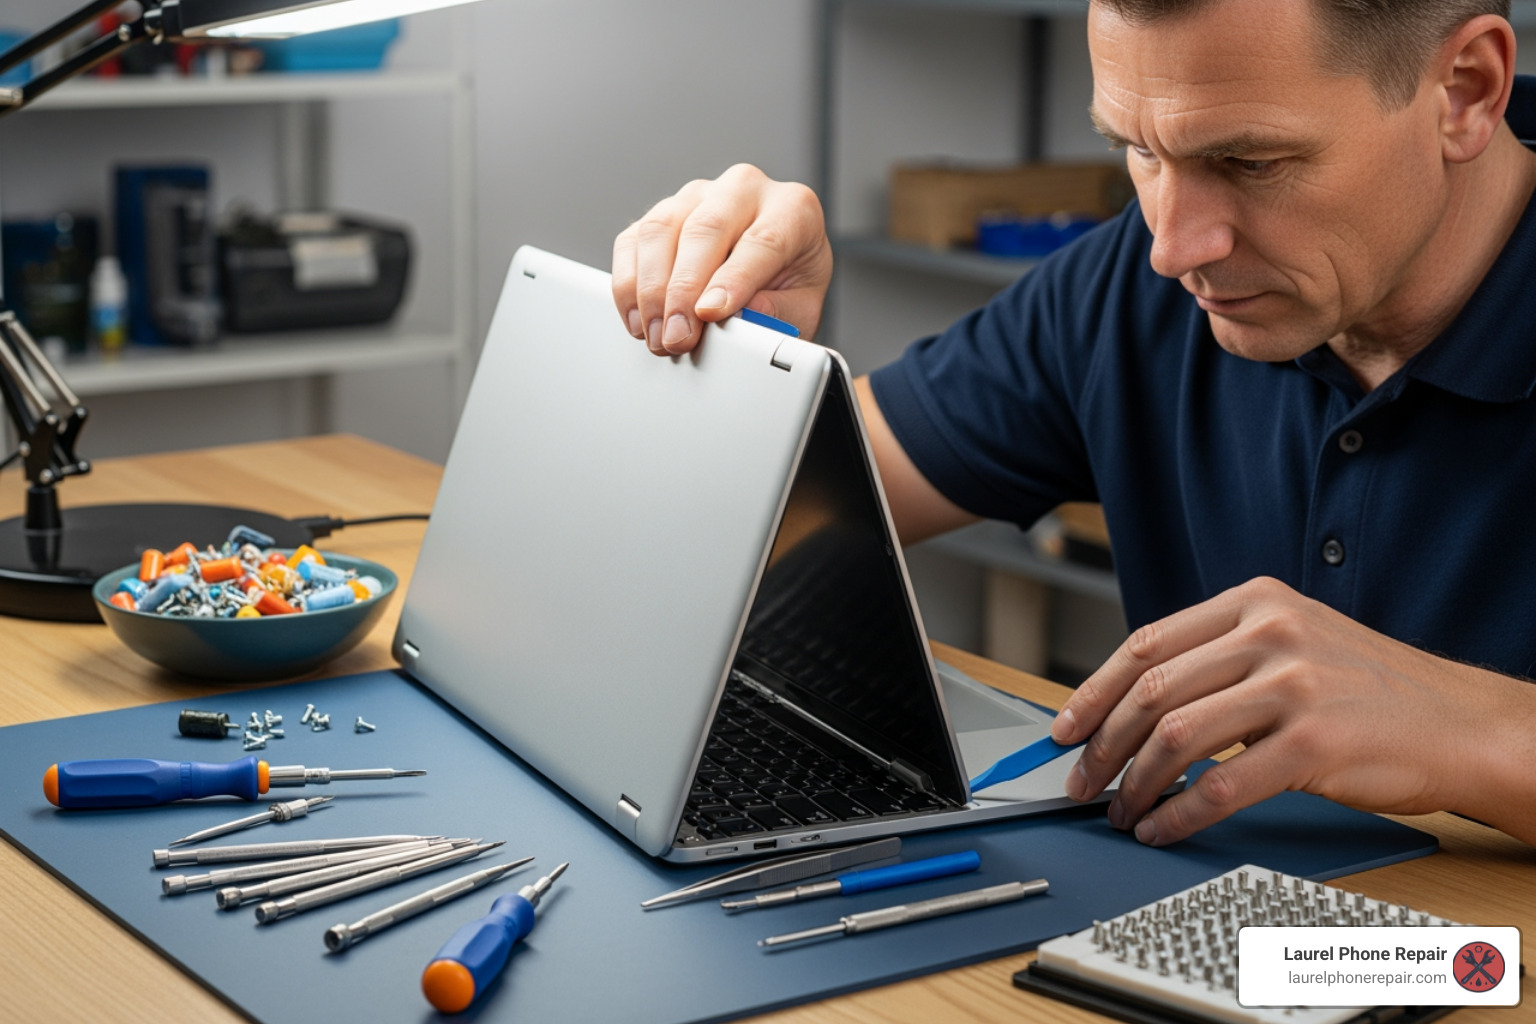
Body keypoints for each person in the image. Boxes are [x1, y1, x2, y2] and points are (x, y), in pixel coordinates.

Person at [610, 0, 1536, 848]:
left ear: (1464, 92)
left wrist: (1480, 732)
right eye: (1136, 149)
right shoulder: (1122, 288)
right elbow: (755, 518)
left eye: (1251, 163)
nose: (1172, 247)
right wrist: (753, 361)